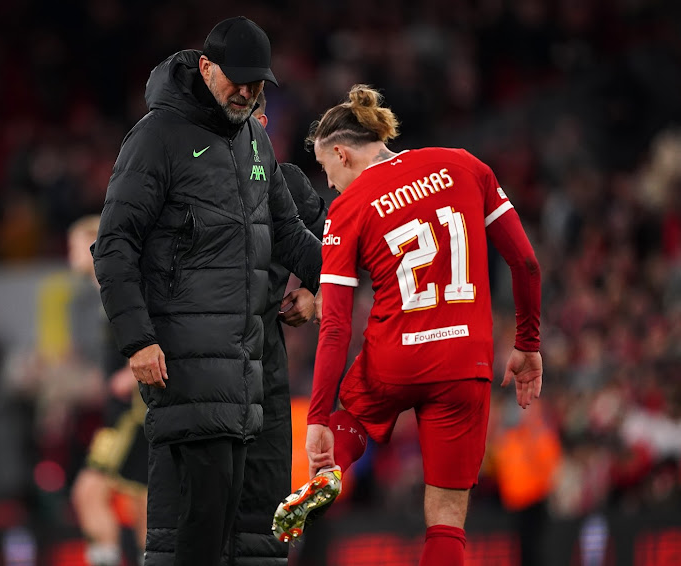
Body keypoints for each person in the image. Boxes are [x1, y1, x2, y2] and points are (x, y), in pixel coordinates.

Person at [272, 85, 543, 566]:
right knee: (445, 519)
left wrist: (317, 419)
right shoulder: (465, 165)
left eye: (328, 171)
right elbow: (525, 263)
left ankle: (333, 464)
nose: (330, 185)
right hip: (467, 359)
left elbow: (335, 326)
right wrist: (527, 344)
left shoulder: (348, 209)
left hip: (395, 357)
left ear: (341, 153)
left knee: (351, 416)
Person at [91, 16, 323, 566]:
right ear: (205, 67)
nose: (246, 92)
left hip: (248, 369)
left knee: (244, 526)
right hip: (185, 364)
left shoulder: (255, 141)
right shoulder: (156, 138)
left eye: (257, 83)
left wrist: (328, 279)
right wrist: (137, 340)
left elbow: (290, 237)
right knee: (201, 522)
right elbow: (113, 244)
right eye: (236, 80)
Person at [223, 92, 327, 565]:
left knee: (263, 517)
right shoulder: (189, 177)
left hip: (264, 366)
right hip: (201, 373)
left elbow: (332, 240)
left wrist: (312, 291)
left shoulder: (283, 183)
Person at [68, 216, 149, 566]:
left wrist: (129, 377)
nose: (69, 254)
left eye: (73, 246)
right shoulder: (104, 294)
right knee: (143, 503)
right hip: (130, 410)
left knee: (88, 491)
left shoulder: (121, 288)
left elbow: (162, 331)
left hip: (132, 410)